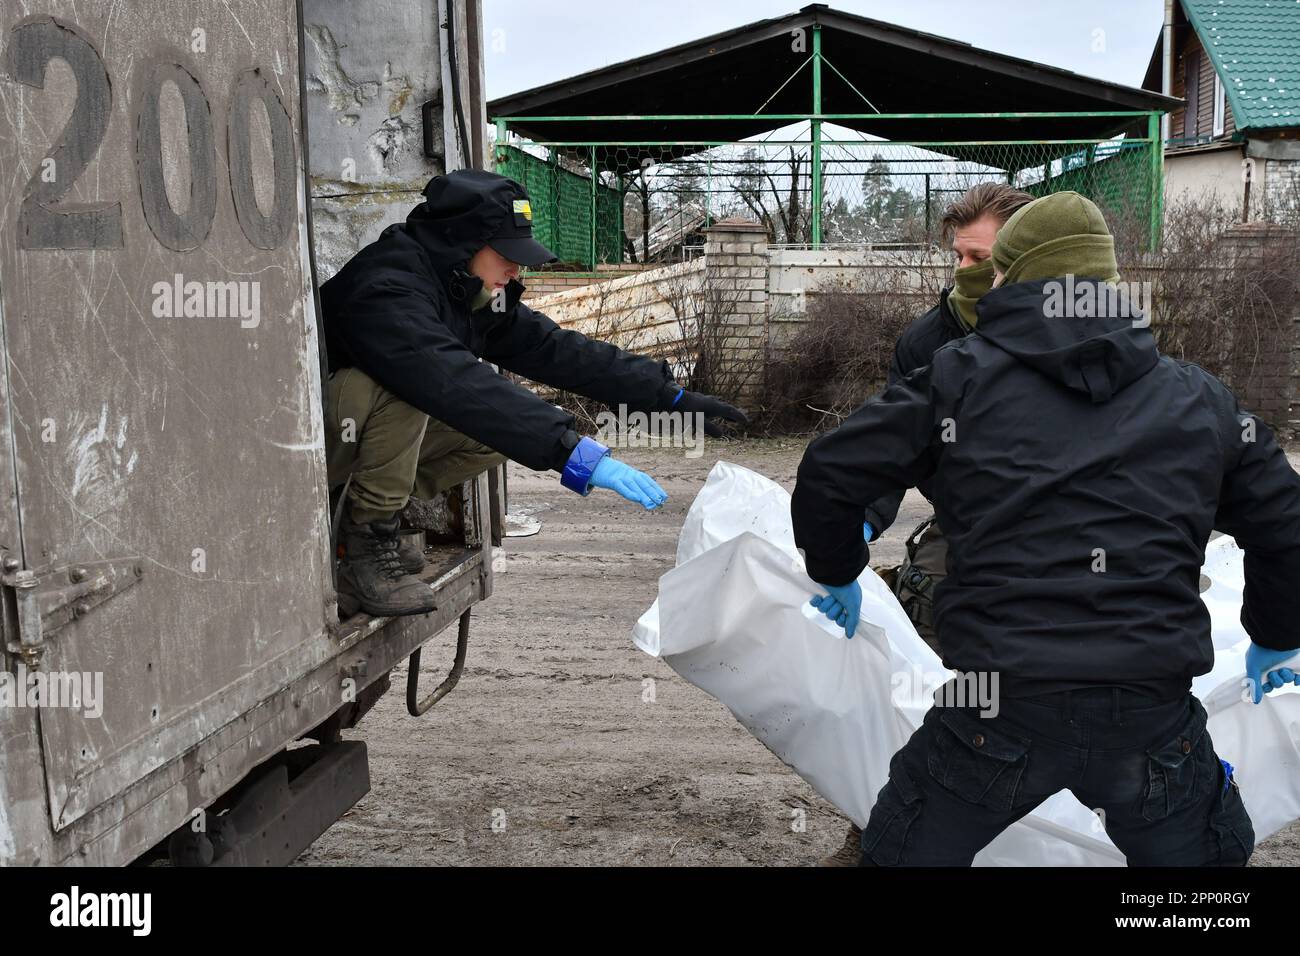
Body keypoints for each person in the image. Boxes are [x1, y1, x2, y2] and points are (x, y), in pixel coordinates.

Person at [794, 190, 1300, 866]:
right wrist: (1276, 633)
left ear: (1015, 277)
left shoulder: (957, 380)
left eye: (992, 267)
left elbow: (833, 471)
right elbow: (1285, 525)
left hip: (996, 708)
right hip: (1150, 716)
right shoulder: (1198, 399)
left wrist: (836, 569)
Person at [321, 169, 746, 617]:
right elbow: (451, 380)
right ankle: (366, 541)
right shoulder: (387, 287)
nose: (516, 268)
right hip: (306, 454)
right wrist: (573, 453)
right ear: (461, 241)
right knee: (412, 388)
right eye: (506, 254)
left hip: (351, 441)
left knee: (494, 434)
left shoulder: (461, 287)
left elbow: (551, 348)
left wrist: (666, 396)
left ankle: (360, 519)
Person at [821, 182, 1033, 866]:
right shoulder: (929, 339)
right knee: (914, 668)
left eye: (985, 260)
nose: (968, 275)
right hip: (964, 529)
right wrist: (857, 522)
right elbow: (892, 445)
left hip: (1067, 529)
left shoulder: (1078, 325)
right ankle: (881, 834)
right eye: (961, 258)